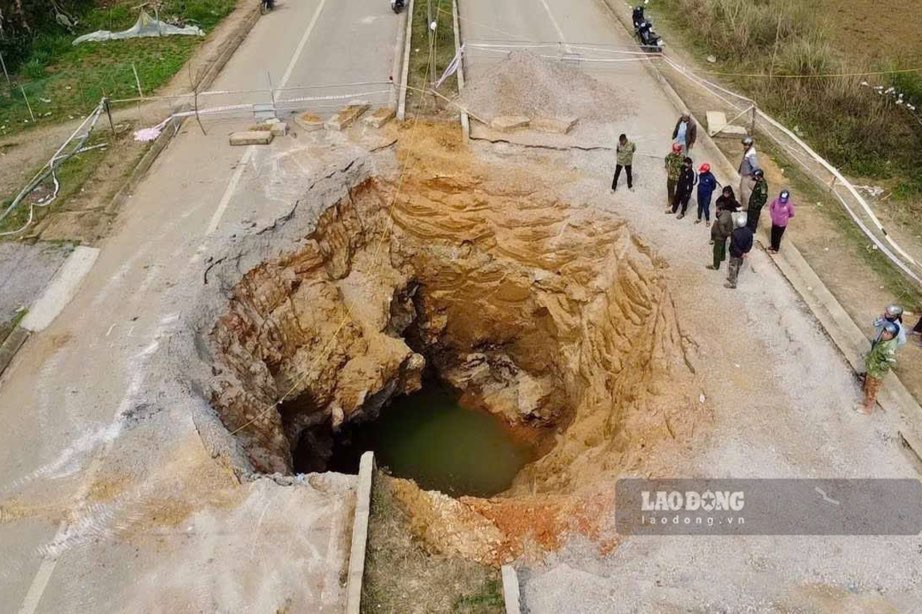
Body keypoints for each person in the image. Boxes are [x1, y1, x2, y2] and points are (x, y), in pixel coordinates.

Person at [858, 322, 898, 415]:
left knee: (872, 392)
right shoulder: (884, 341)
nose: (884, 334)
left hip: (876, 374)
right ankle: (865, 404)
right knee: (868, 388)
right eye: (884, 331)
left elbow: (891, 363)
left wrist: (879, 366)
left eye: (887, 333)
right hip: (872, 371)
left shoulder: (889, 348)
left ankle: (868, 409)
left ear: (892, 336)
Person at [725, 215, 754, 289]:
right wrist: (745, 252)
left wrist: (740, 253)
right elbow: (750, 243)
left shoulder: (735, 233)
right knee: (738, 266)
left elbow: (734, 246)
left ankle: (732, 283)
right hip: (742, 253)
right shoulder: (749, 232)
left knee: (732, 267)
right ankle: (734, 277)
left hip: (735, 254)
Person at [738, 136, 759, 206]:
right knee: (741, 188)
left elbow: (755, 166)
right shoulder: (747, 152)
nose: (744, 146)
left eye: (745, 145)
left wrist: (752, 175)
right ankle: (742, 203)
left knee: (744, 191)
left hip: (747, 175)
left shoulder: (751, 155)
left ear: (749, 145)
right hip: (744, 174)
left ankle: (745, 206)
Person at [664, 143, 683, 208]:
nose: (676, 152)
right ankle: (670, 201)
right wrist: (667, 166)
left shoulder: (682, 157)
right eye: (675, 150)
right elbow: (666, 159)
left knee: (678, 190)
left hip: (679, 177)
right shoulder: (671, 155)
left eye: (678, 150)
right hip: (671, 176)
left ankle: (676, 201)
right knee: (670, 189)